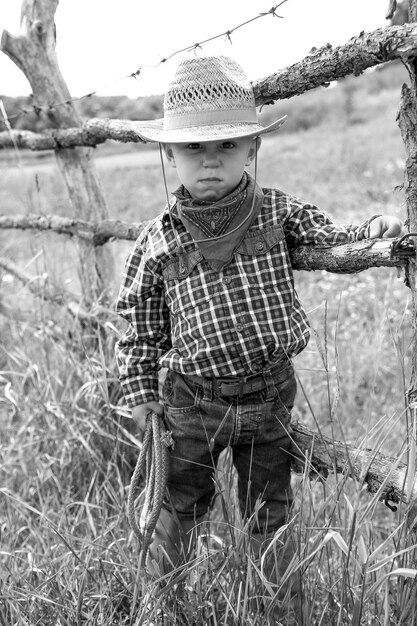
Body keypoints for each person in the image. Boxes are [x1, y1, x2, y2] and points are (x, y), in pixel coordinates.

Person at [115, 55, 405, 606]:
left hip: (270, 395)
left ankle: (278, 605)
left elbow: (327, 233)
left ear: (253, 148)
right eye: (194, 149)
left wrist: (370, 231)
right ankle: (163, 604)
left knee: (268, 511)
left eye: (227, 145)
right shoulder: (157, 241)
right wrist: (140, 394)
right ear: (168, 154)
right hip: (190, 401)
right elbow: (142, 328)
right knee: (180, 506)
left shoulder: (276, 211)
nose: (210, 162)